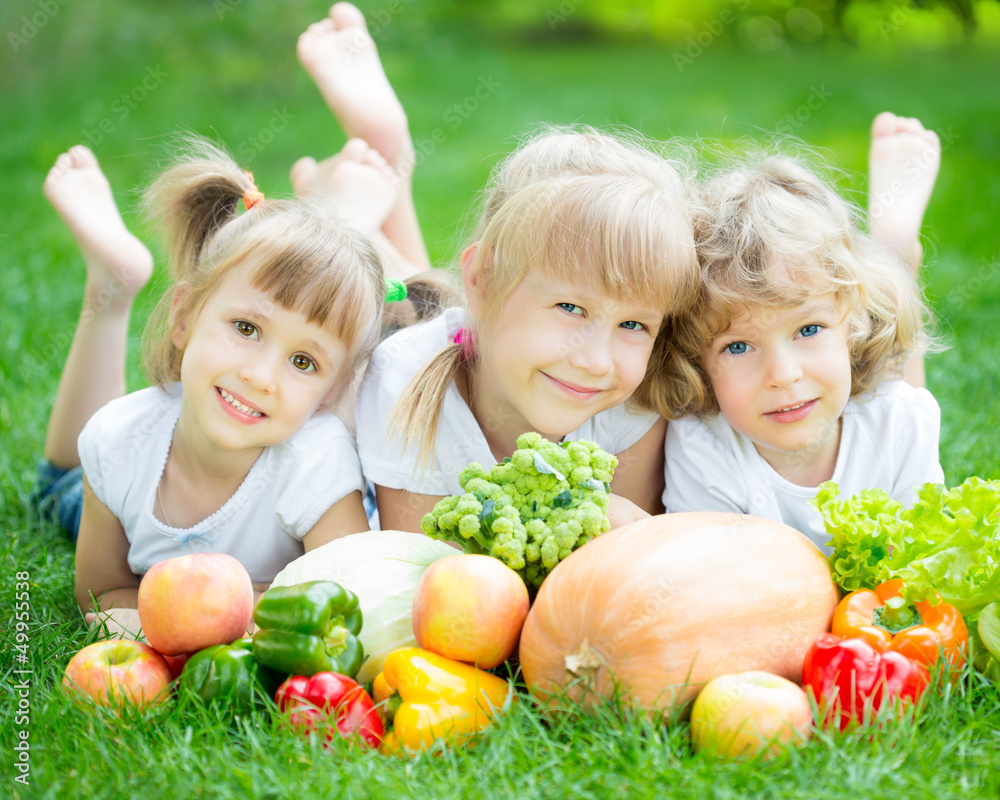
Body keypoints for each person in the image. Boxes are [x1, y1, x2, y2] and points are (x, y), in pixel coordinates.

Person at [37, 139, 390, 636]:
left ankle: (357, 223)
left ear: (330, 394)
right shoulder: (117, 442)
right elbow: (102, 594)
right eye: (246, 329)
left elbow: (348, 596)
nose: (260, 377)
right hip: (124, 465)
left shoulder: (318, 464)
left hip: (350, 488)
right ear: (183, 317)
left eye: (303, 361)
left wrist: (193, 625)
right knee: (58, 491)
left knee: (395, 328)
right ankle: (110, 288)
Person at [355, 125, 702, 533]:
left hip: (475, 331)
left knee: (419, 290)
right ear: (484, 278)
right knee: (357, 281)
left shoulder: (634, 402)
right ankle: (357, 199)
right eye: (571, 307)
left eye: (633, 323)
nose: (595, 360)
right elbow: (428, 573)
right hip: (422, 339)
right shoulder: (402, 385)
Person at [656, 113, 943, 550]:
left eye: (809, 328)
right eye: (737, 346)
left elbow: (919, 562)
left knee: (897, 390)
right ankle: (887, 258)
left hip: (884, 392)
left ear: (852, 324)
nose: (783, 374)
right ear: (696, 361)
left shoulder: (904, 423)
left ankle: (894, 253)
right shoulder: (703, 448)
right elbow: (714, 585)